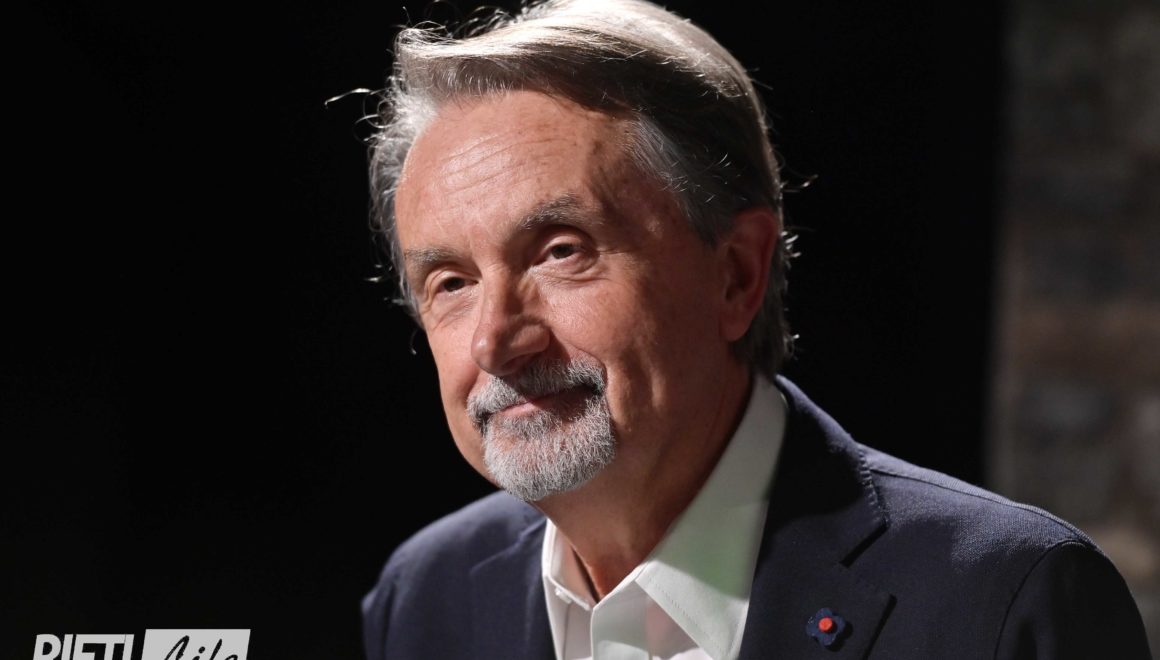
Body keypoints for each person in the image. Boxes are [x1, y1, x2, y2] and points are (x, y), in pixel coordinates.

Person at [359, 1, 1152, 658]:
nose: (496, 340)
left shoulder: (1006, 605)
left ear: (737, 274)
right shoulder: (425, 600)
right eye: (451, 282)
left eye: (562, 252)